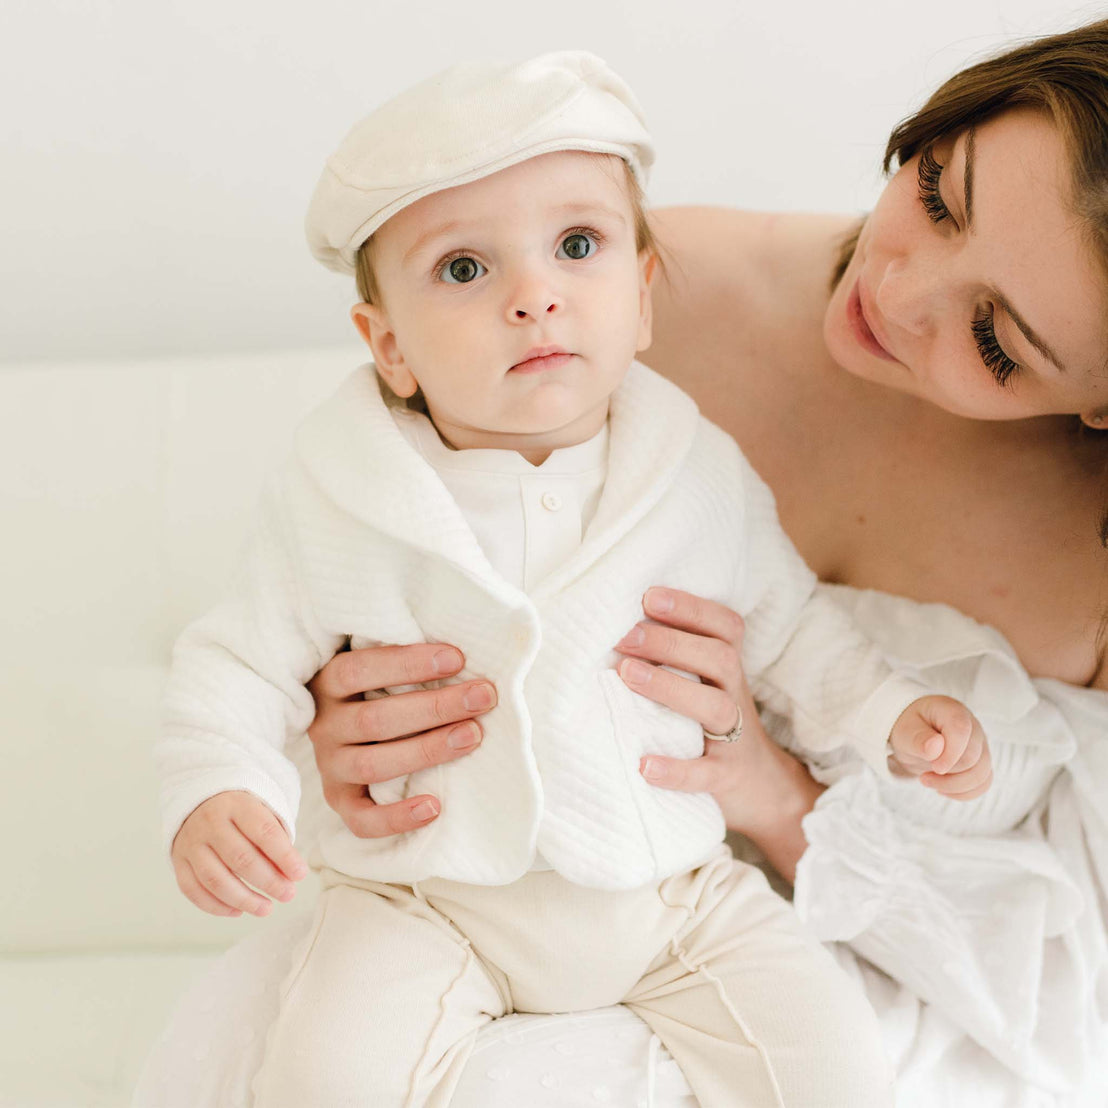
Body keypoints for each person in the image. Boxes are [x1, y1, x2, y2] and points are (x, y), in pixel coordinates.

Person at [132, 19, 1108, 1108]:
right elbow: (331, 585)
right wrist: (317, 722)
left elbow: (1060, 981)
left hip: (777, 932)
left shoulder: (692, 454)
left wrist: (795, 776)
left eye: (993, 340)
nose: (899, 287)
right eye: (935, 192)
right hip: (438, 894)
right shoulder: (587, 280)